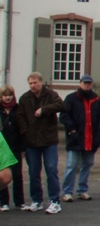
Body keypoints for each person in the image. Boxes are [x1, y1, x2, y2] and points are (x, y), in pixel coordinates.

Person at [17, 71, 65, 213]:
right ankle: (36, 200)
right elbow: (20, 117)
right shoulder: (25, 98)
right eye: (30, 83)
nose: (32, 86)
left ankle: (55, 201)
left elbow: (61, 106)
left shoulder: (50, 94)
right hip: (32, 141)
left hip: (49, 139)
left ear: (40, 82)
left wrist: (44, 110)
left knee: (51, 169)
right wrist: (25, 132)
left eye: (35, 83)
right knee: (33, 172)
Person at [60, 75, 100, 202]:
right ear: (80, 83)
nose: (87, 85)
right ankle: (67, 191)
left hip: (91, 138)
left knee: (87, 164)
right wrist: (72, 130)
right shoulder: (71, 99)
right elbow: (64, 116)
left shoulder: (96, 99)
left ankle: (82, 190)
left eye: (89, 83)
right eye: (85, 83)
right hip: (75, 137)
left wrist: (98, 133)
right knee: (72, 165)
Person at [0, 85, 25, 211]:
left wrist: (22, 147)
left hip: (15, 146)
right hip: (2, 148)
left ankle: (19, 201)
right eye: (5, 95)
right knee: (3, 176)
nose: (8, 98)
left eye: (10, 95)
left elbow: (22, 128)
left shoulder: (18, 109)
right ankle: (3, 202)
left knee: (17, 174)